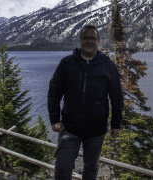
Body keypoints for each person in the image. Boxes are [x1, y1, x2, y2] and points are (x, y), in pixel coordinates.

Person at [47, 25, 124, 180]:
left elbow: (116, 97)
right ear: (80, 40)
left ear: (98, 41)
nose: (89, 41)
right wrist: (55, 120)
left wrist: (116, 124)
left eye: (93, 38)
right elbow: (54, 92)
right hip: (69, 128)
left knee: (91, 169)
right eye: (85, 38)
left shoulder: (108, 66)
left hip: (96, 130)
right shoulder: (67, 63)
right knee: (62, 169)